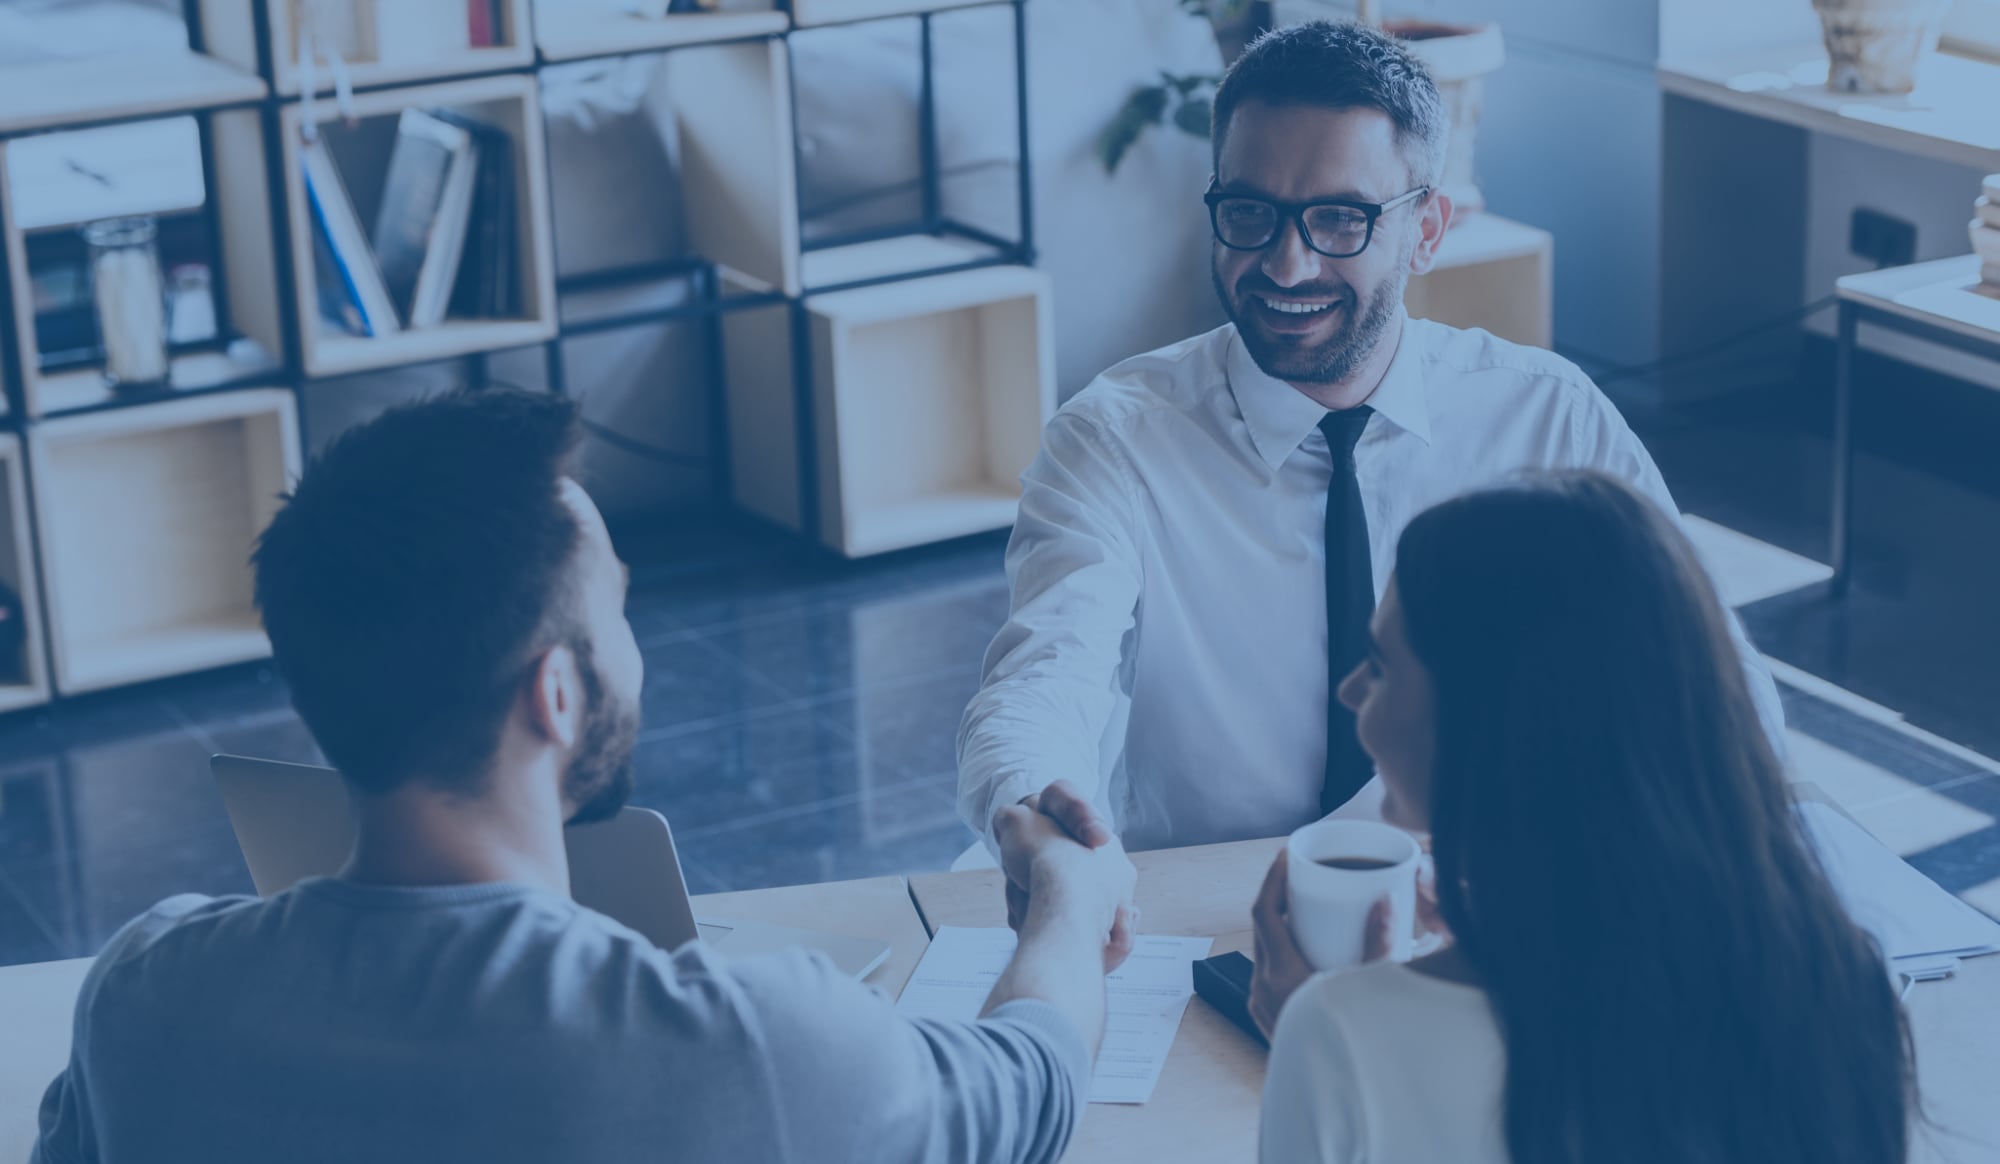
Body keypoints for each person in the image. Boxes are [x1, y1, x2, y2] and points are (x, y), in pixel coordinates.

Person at [31, 390, 1137, 1164]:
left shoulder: (143, 993)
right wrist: (1067, 902)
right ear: (555, 695)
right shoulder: (748, 1047)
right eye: (616, 609)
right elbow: (1029, 1083)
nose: (637, 650)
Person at [957, 20, 1783, 854]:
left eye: (1341, 220)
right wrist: (1034, 807)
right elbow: (1044, 673)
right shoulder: (1113, 439)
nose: (1286, 265)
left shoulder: (1547, 417)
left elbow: (1709, 676)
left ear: (1426, 231)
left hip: (1478, 893)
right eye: (1250, 212)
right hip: (1205, 902)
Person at [1249, 472, 1912, 1164]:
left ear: (1491, 727)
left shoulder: (1340, 1035)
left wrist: (1328, 1033)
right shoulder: (1845, 985)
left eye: (1382, 668)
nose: (1351, 691)